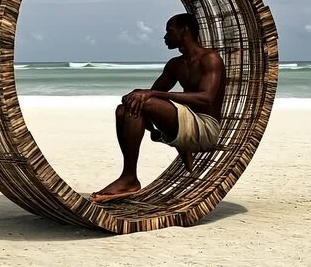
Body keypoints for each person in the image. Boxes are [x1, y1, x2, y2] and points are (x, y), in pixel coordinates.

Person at [90, 13, 226, 203]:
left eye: (169, 31)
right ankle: (129, 176)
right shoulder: (175, 65)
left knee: (144, 100)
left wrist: (150, 95)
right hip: (184, 121)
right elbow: (149, 96)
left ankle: (129, 178)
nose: (165, 37)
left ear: (185, 30)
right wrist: (136, 95)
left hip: (205, 128)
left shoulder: (210, 58)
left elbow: (206, 98)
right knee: (125, 108)